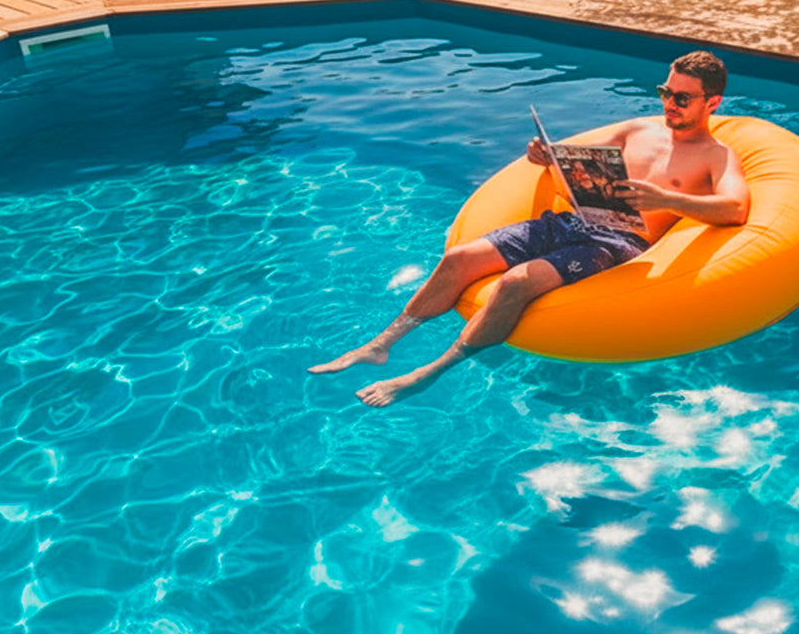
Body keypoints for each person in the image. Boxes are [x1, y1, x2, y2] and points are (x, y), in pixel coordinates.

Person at [308, 50, 751, 407]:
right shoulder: (638, 129)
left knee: (515, 282)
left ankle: (427, 373)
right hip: (575, 220)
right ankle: (380, 344)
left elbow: (735, 208)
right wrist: (546, 154)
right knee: (460, 258)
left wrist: (668, 200)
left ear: (712, 103)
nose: (668, 104)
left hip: (621, 242)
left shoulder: (716, 156)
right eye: (665, 92)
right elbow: (577, 159)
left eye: (682, 98)